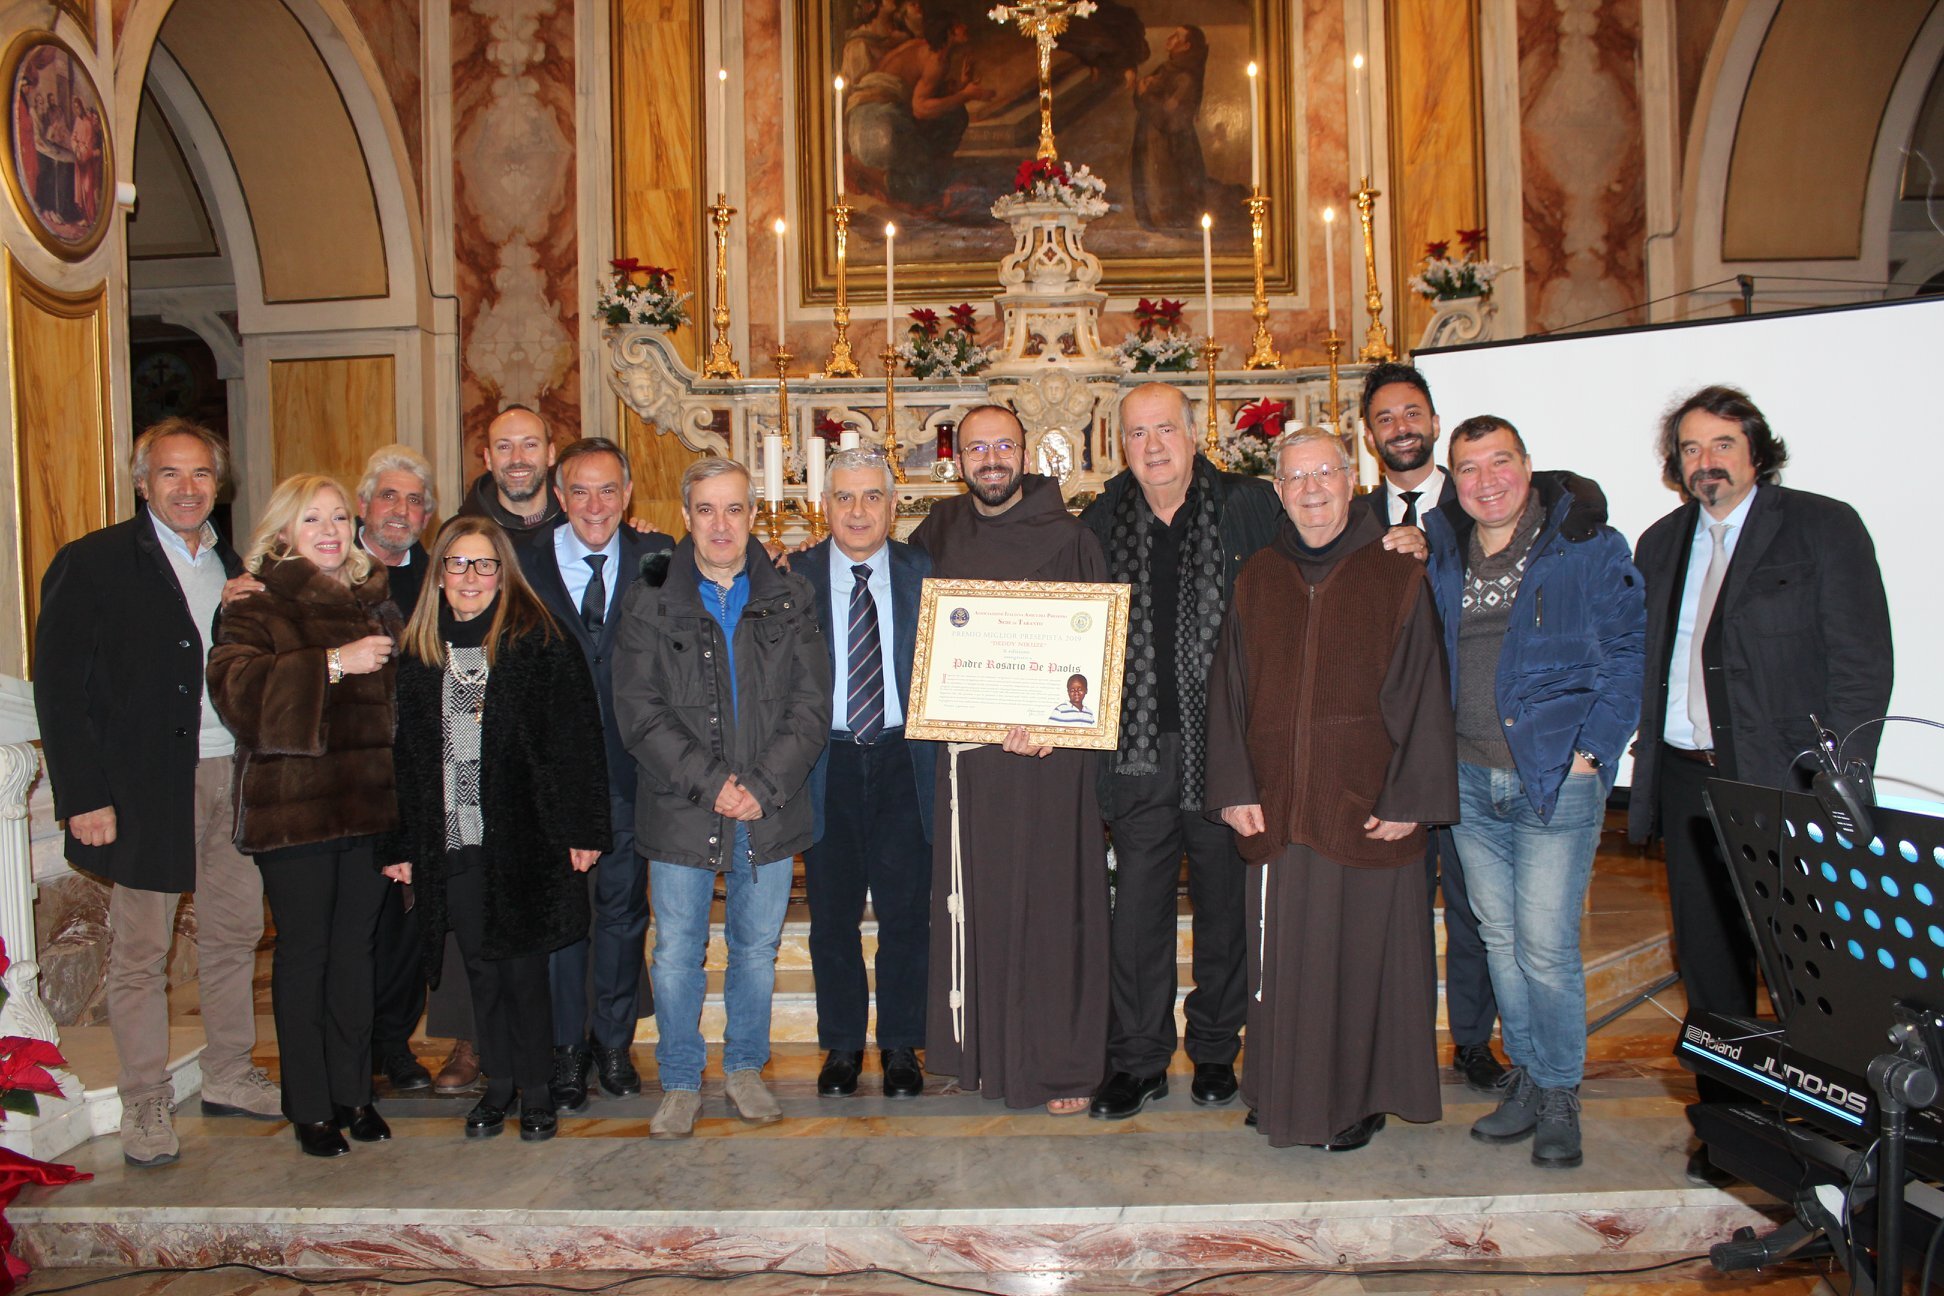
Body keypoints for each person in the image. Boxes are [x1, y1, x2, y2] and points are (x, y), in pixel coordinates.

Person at [1627, 384, 1892, 1186]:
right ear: (1675, 465)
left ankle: (1832, 1139)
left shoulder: (1820, 527)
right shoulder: (1661, 541)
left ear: (1756, 451)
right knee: (1711, 969)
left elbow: (1860, 664)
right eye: (1691, 449)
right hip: (1686, 781)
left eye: (1722, 445)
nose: (1706, 462)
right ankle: (1733, 1131)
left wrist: (1837, 784)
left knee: (1806, 971)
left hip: (1782, 788)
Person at [33, 419, 281, 1169]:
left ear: (219, 484)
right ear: (142, 483)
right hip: (142, 788)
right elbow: (60, 687)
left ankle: (231, 1072)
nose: (187, 488)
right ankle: (144, 1101)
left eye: (201, 474)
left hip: (230, 778)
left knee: (236, 932)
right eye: (170, 474)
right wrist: (84, 794)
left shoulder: (232, 564)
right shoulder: (96, 561)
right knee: (141, 950)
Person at [1204, 428, 1457, 1151]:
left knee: (1359, 966)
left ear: (1353, 481)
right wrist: (1232, 789)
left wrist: (1410, 801)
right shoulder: (1258, 575)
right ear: (1278, 494)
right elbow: (1227, 693)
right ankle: (1282, 1089)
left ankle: (1355, 1099)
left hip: (1367, 805)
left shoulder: (1397, 574)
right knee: (1280, 965)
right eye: (1294, 478)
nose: (1311, 489)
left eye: (1324, 474)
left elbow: (1424, 694)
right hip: (1279, 805)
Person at [1424, 416, 1644, 1169]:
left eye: (1499, 462)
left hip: (1555, 780)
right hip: (1466, 779)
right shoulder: (1443, 552)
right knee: (1500, 939)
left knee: (1546, 948)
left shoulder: (1586, 546)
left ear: (1527, 466)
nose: (1486, 480)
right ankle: (1525, 1074)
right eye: (1469, 468)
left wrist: (1595, 749)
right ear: (1452, 481)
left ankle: (1558, 1092)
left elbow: (1627, 652)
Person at [1077, 382, 1279, 1119]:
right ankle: (1138, 1059)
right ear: (1119, 446)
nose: (1153, 445)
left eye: (1166, 429)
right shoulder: (1100, 521)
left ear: (1196, 435)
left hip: (1225, 747)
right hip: (1135, 752)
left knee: (1226, 907)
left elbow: (1315, 563)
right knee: (1137, 911)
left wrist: (1398, 538)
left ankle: (1218, 1050)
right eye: (1137, 433)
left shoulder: (1249, 506)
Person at [613, 458, 831, 1139]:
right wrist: (714, 786)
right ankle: (680, 1078)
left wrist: (760, 789)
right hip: (682, 803)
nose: (720, 524)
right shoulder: (649, 596)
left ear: (752, 515)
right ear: (686, 517)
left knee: (756, 946)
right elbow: (639, 710)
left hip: (769, 807)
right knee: (676, 949)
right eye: (706, 509)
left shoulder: (791, 597)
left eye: (734, 509)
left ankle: (743, 1069)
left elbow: (811, 705)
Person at [908, 404, 1110, 1115]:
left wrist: (1064, 726)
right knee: (976, 898)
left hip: (1051, 756)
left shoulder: (1071, 537)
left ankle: (1057, 1065)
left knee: (1052, 901)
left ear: (1028, 453)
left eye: (1003, 446)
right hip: (971, 764)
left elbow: (1098, 655)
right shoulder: (937, 533)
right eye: (976, 448)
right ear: (956, 459)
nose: (991, 459)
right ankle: (978, 1052)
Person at [384, 517, 610, 1142]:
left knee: (524, 971)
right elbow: (403, 758)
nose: (471, 577)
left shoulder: (539, 639)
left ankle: (536, 1092)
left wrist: (583, 827)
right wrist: (402, 844)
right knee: (480, 968)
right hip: (452, 839)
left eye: (484, 565)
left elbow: (578, 741)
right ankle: (500, 1085)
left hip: (525, 838)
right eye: (458, 564)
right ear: (439, 576)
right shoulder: (419, 651)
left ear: (503, 574)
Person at [207, 473, 403, 1158]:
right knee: (306, 956)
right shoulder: (258, 602)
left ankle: (354, 1093)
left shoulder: (371, 601)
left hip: (368, 808)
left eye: (339, 518)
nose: (329, 530)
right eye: (311, 518)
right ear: (284, 531)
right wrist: (329, 665)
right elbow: (235, 694)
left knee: (357, 955)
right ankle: (310, 1105)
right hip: (296, 814)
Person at [1358, 361, 1505, 1095]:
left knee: (1478, 909)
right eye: (1385, 418)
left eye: (1412, 413)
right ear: (1369, 434)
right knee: (1400, 907)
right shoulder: (1355, 518)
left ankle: (1474, 1041)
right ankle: (1404, 1040)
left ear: (1436, 423)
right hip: (1390, 758)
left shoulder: (1479, 510)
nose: (1401, 428)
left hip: (1474, 747)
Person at [518, 438, 674, 1110]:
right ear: (558, 496)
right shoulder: (519, 564)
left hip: (632, 773)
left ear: (629, 494)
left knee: (621, 915)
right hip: (548, 782)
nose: (594, 505)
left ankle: (612, 1043)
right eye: (579, 491)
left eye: (608, 490)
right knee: (560, 920)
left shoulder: (659, 559)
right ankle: (565, 1049)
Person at [801, 449, 936, 1100]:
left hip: (901, 757)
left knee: (907, 913)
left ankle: (902, 1043)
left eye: (871, 497)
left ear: (893, 505)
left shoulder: (924, 572)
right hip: (823, 761)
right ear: (824, 506)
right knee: (831, 917)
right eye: (845, 498)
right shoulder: (792, 576)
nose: (858, 511)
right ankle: (842, 1046)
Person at [352, 444, 449, 1094]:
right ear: (364, 505)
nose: (402, 510)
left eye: (415, 501)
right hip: (348, 779)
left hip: (424, 777)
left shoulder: (437, 579)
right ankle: (351, 1048)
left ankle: (394, 1040)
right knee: (356, 921)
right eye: (390, 496)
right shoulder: (323, 569)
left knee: (414, 925)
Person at [1130, 26, 1210, 231]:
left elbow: (1170, 113)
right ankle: (1156, 221)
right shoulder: (1166, 69)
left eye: (1177, 36)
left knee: (1168, 182)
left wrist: (1145, 93)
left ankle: (1171, 222)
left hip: (1170, 141)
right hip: (1151, 135)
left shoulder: (1185, 78)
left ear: (1186, 46)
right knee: (1149, 180)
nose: (1171, 38)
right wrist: (1142, 92)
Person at [458, 405, 564, 536]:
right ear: (488, 458)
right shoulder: (460, 537)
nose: (517, 459)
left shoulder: (579, 529)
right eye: (504, 447)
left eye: (530, 445)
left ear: (551, 453)